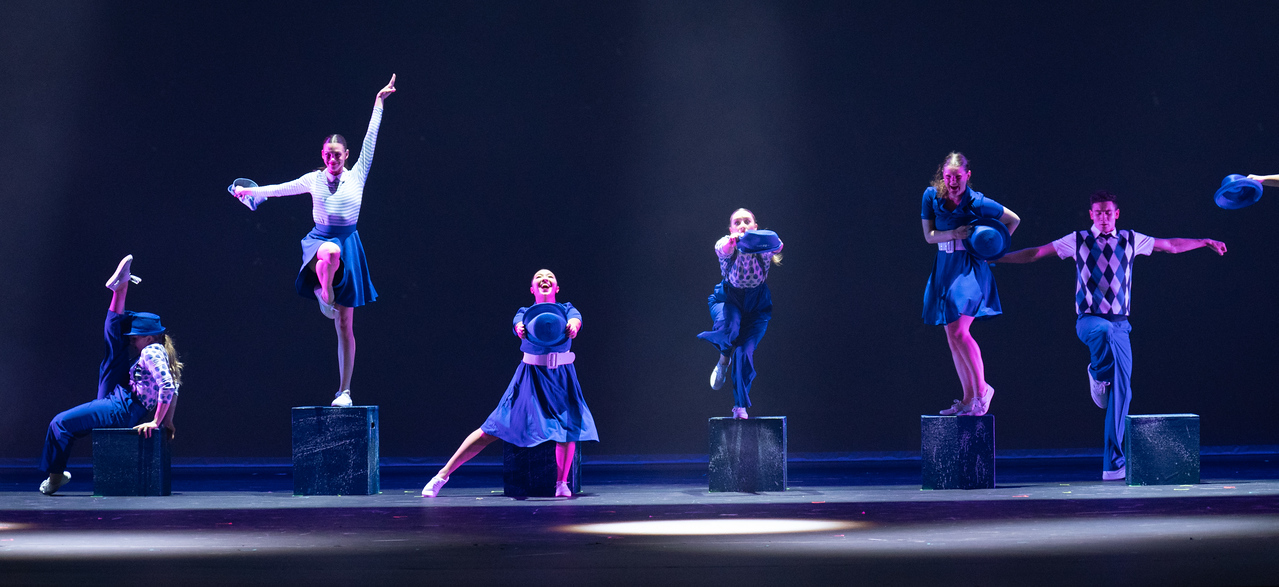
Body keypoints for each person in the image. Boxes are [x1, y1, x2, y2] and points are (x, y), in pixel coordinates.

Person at [998, 190, 1226, 480]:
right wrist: (997, 259)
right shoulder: (1077, 240)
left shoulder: (1131, 240)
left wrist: (1204, 242)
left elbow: (1170, 245)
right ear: (1091, 214)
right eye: (1098, 212)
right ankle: (1097, 371)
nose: (1104, 217)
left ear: (1116, 214)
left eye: (1108, 212)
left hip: (1121, 325)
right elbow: (1035, 254)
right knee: (1103, 331)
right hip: (1090, 321)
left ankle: (1113, 464)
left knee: (1123, 393)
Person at [233, 75, 396, 407]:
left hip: (350, 243)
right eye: (327, 154)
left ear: (347, 155)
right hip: (320, 240)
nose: (332, 159)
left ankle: (344, 390)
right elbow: (280, 188)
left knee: (346, 324)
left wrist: (378, 103)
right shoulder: (314, 179)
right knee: (328, 253)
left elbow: (371, 138)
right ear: (322, 155)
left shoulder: (358, 172)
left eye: (337, 154)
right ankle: (325, 291)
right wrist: (251, 192)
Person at [421, 269, 597, 498]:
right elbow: (519, 326)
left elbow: (576, 319)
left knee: (567, 429)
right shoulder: (523, 313)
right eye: (539, 277)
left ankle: (561, 483)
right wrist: (519, 328)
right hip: (530, 380)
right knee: (492, 428)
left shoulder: (567, 309)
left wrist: (573, 324)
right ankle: (442, 475)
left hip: (561, 378)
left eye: (550, 277)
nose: (545, 278)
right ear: (533, 289)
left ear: (557, 288)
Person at [38, 255, 183, 495]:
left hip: (123, 408)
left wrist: (157, 422)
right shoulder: (155, 351)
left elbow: (167, 387)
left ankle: (55, 478)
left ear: (150, 337)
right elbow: (174, 387)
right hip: (123, 398)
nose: (132, 341)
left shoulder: (151, 351)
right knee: (113, 351)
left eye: (135, 337)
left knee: (59, 423)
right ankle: (119, 290)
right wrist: (167, 421)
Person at [921, 152, 1021, 417]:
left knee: (959, 331)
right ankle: (968, 399)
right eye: (948, 176)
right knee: (951, 335)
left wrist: (991, 249)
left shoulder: (978, 202)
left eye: (958, 176)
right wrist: (953, 233)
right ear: (942, 176)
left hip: (969, 268)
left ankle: (982, 390)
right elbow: (929, 236)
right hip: (944, 266)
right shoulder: (931, 197)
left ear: (967, 175)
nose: (953, 182)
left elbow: (1013, 220)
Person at [697, 208, 784, 419]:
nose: (742, 225)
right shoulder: (726, 243)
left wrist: (757, 240)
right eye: (737, 222)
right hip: (728, 300)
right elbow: (722, 248)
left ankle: (740, 405)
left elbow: (779, 244)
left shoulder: (763, 248)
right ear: (731, 228)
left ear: (755, 226)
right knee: (731, 328)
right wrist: (734, 241)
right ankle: (723, 358)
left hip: (757, 308)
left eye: (747, 221)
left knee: (744, 352)